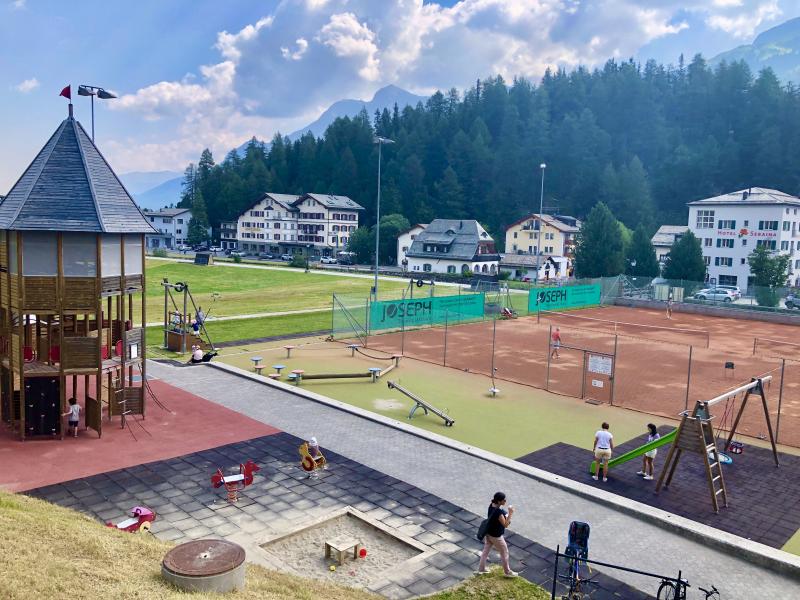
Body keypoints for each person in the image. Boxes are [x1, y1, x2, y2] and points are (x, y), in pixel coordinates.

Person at [476, 491, 518, 578]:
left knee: (485, 551)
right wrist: (510, 513)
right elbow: (505, 524)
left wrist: (505, 513)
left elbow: (500, 512)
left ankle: (481, 569)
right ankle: (507, 572)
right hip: (496, 536)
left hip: (489, 533)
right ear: (499, 501)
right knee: (504, 552)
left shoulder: (491, 505)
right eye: (503, 500)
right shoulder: (498, 513)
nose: (505, 501)